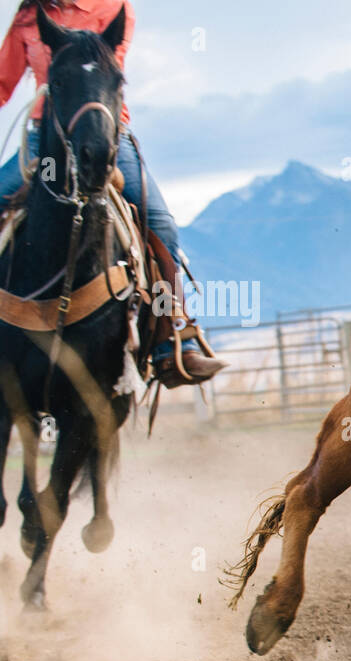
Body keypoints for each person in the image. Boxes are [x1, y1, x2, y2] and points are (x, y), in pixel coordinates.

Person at [0, 0, 224, 385]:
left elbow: (104, 72)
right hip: (44, 142)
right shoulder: (27, 18)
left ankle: (173, 339)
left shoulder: (112, 8)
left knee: (161, 225)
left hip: (105, 138)